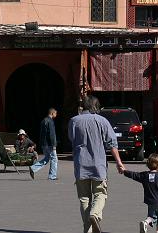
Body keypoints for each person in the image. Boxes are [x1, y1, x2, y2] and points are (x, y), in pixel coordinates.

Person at [68, 94, 124, 233]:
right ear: (96, 105)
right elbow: (112, 144)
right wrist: (119, 162)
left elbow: (72, 139)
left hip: (80, 164)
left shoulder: (74, 121)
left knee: (84, 198)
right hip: (98, 165)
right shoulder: (102, 121)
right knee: (100, 194)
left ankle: (88, 230)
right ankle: (95, 214)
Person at [122, 153, 158, 233]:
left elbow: (133, 175)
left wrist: (124, 171)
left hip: (150, 202)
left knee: (151, 217)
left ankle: (145, 222)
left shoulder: (144, 175)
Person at [30, 108, 58, 181]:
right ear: (52, 113)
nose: (56, 115)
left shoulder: (43, 121)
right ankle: (52, 176)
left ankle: (33, 168)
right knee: (54, 159)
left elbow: (42, 134)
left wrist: (41, 143)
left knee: (46, 158)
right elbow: (52, 134)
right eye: (55, 113)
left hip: (44, 143)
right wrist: (54, 144)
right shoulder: (50, 121)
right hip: (49, 144)